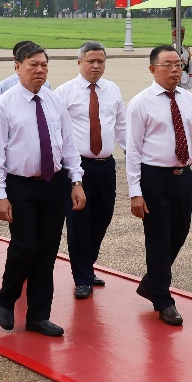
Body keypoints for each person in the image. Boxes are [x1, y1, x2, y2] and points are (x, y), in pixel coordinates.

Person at [0, 42, 84, 337]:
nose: (39, 70)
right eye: (33, 65)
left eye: (43, 64)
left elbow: (68, 145)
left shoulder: (54, 101)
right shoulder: (5, 105)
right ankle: (7, 298)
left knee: (47, 251)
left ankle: (38, 315)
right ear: (17, 67)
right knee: (25, 246)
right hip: (21, 186)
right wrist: (1, 195)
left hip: (53, 184)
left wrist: (76, 181)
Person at [127, 45, 192, 327]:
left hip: (183, 175)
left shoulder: (188, 99)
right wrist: (135, 192)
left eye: (178, 64)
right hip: (154, 176)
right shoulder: (140, 102)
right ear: (153, 69)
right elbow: (133, 149)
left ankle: (151, 282)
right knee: (158, 238)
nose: (175, 70)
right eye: (168, 65)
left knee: (179, 233)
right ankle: (163, 299)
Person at [55, 40, 126, 299]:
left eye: (101, 61)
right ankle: (81, 276)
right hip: (77, 167)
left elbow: (121, 128)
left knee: (102, 218)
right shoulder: (64, 93)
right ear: (79, 63)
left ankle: (88, 264)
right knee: (79, 222)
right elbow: (58, 133)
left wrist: (135, 156)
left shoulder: (112, 90)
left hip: (105, 165)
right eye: (91, 61)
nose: (96, 66)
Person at [171, 26, 192, 92]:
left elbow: (190, 67)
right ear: (174, 37)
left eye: (182, 35)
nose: (181, 38)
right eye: (178, 35)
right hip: (173, 79)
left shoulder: (187, 50)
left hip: (184, 81)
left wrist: (190, 81)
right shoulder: (170, 50)